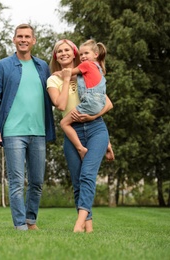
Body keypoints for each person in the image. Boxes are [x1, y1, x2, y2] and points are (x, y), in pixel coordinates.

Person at [0, 24, 55, 230]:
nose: (23, 39)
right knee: (16, 182)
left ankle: (30, 220)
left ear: (34, 41)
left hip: (38, 132)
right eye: (20, 36)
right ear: (14, 40)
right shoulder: (3, 66)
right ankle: (20, 225)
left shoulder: (43, 67)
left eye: (27, 36)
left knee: (36, 182)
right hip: (13, 132)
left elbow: (55, 93)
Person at [46, 39, 114, 233]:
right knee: (77, 182)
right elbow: (60, 105)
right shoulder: (54, 79)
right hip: (73, 132)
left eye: (67, 50)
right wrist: (66, 78)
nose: (63, 53)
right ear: (55, 56)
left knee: (88, 176)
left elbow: (107, 103)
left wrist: (93, 117)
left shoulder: (86, 72)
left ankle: (78, 225)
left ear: (74, 53)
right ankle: (88, 228)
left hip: (95, 127)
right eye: (59, 51)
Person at [56, 39, 108, 160]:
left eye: (86, 53)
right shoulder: (98, 67)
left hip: (90, 102)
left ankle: (80, 149)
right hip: (99, 103)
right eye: (81, 54)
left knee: (64, 123)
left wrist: (59, 73)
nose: (83, 56)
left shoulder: (86, 65)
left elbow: (69, 73)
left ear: (96, 54)